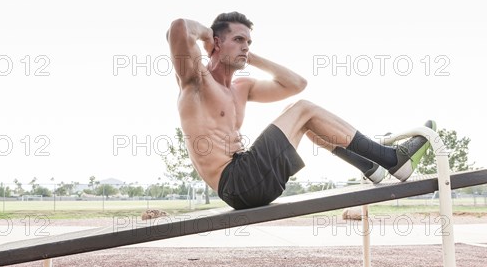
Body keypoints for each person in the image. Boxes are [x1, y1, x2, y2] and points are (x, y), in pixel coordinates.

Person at [166, 12, 435, 210]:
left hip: (248, 177)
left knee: (305, 118)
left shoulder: (241, 87)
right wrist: (205, 38)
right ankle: (392, 159)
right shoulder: (197, 81)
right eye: (238, 39)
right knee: (303, 110)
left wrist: (250, 56)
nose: (246, 46)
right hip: (236, 182)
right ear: (216, 42)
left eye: (249, 42)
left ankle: (370, 166)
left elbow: (296, 84)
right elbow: (178, 28)